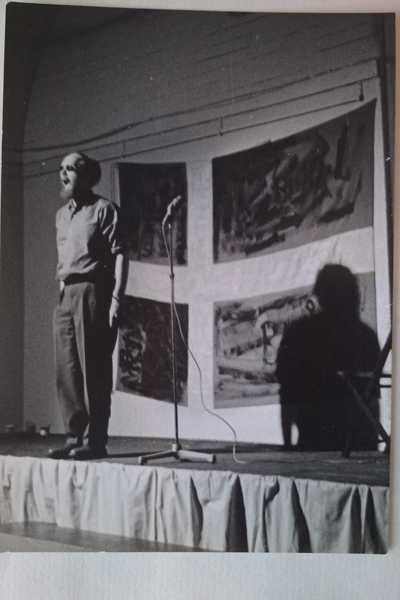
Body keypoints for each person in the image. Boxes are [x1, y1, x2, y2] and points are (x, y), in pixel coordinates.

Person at [48, 152, 127, 460]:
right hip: (66, 296)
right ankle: (72, 437)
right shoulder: (60, 215)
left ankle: (96, 441)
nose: (64, 173)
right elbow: (64, 260)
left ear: (88, 175)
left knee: (94, 367)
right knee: (66, 370)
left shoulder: (104, 210)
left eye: (72, 168)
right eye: (61, 168)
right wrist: (61, 294)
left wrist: (117, 298)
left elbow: (121, 255)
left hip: (94, 293)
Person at [276, 264, 381, 451]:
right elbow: (372, 406)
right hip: (356, 448)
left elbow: (287, 397)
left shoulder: (298, 333)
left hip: (313, 445)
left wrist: (287, 446)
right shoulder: (365, 336)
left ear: (320, 295)